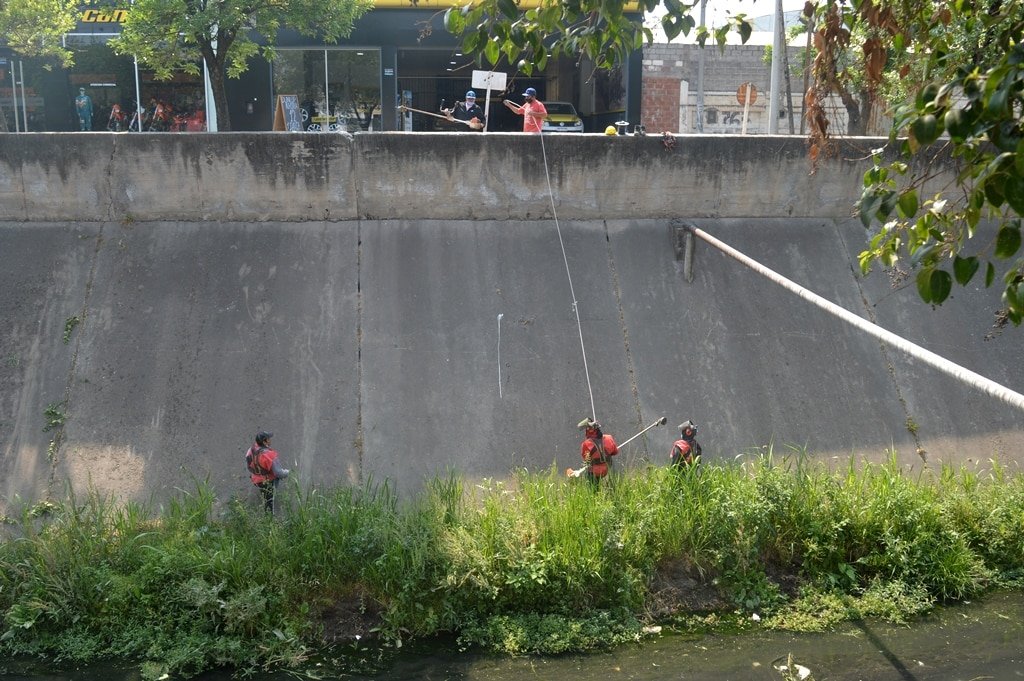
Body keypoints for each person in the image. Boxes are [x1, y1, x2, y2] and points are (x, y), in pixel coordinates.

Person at [245, 430, 290, 513]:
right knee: (269, 502)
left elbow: (248, 466)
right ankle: (269, 522)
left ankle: (267, 517)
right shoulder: (269, 455)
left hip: (257, 480)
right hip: (269, 481)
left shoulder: (250, 450)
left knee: (266, 500)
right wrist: (288, 472)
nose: (270, 440)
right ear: (264, 441)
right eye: (268, 439)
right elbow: (278, 473)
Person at [578, 417, 619, 485]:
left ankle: (593, 492)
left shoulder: (586, 444)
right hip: (608, 469)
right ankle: (611, 487)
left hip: (595, 472)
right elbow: (615, 452)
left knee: (590, 478)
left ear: (589, 431)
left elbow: (587, 460)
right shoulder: (609, 438)